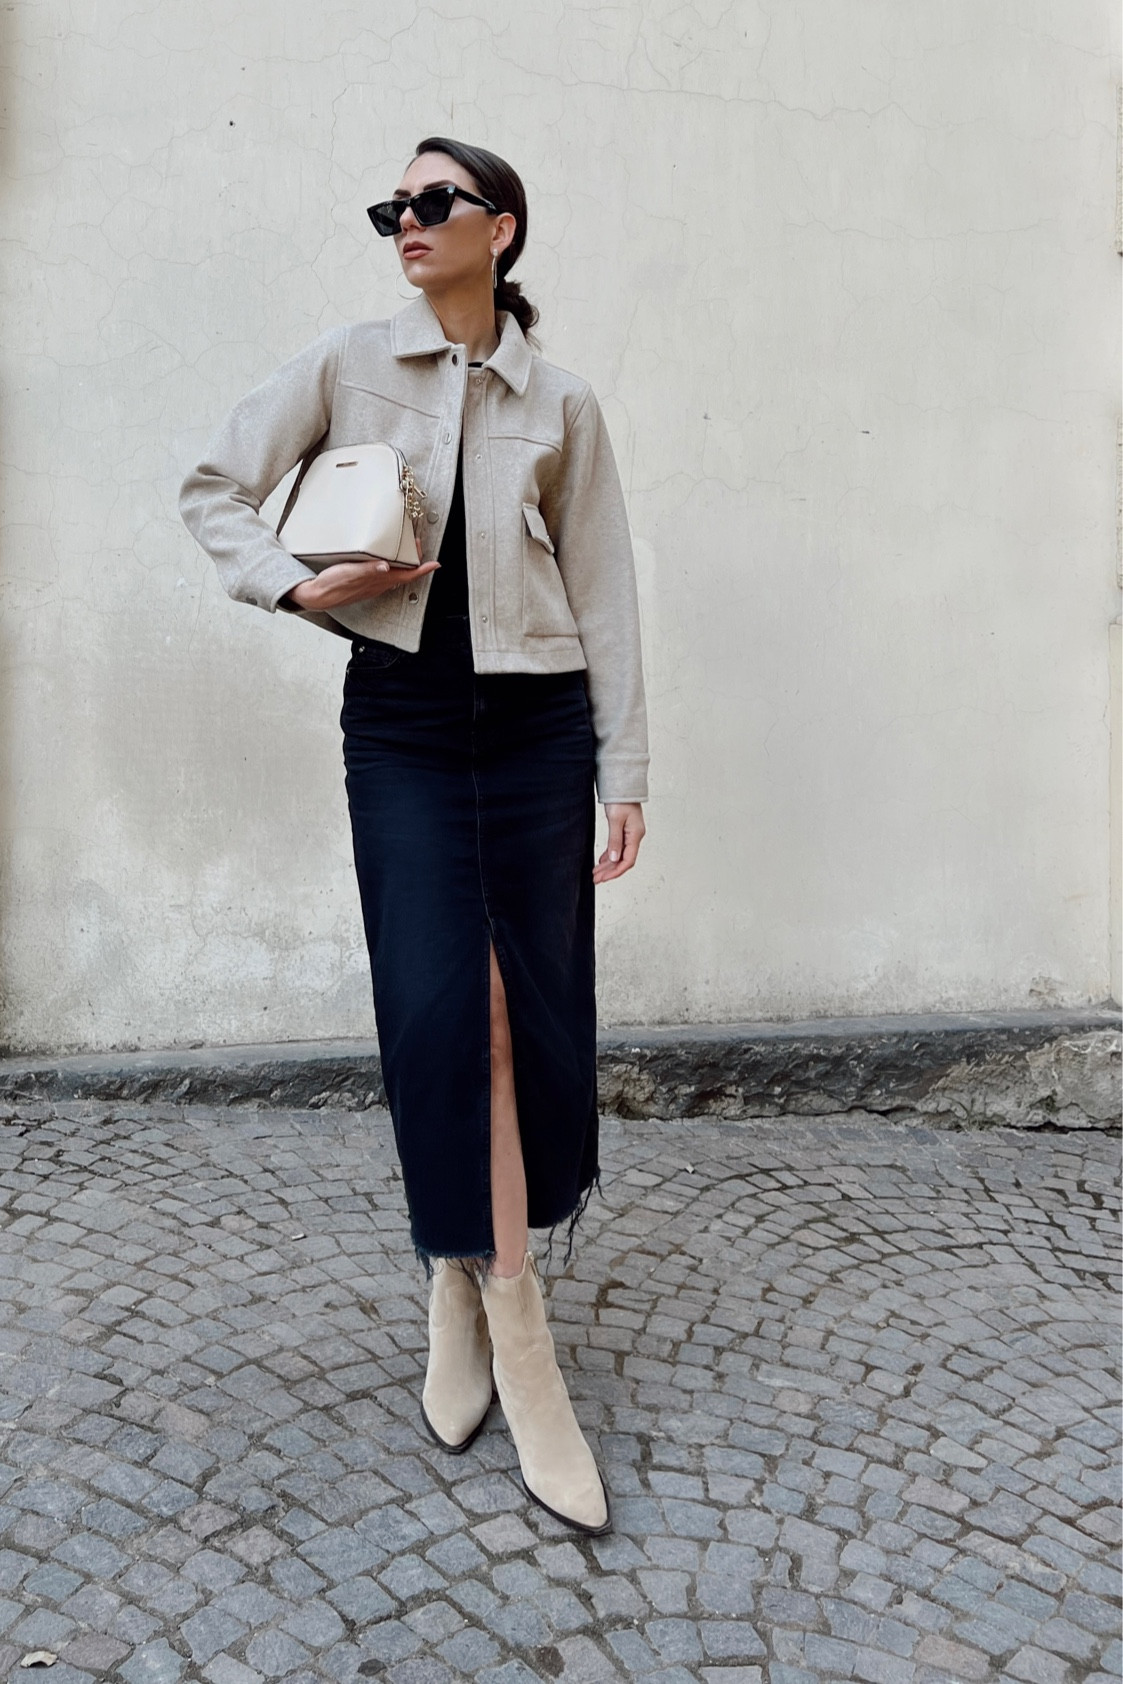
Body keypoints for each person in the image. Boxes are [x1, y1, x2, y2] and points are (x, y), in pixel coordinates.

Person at [179, 137, 649, 1536]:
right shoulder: (345, 364)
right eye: (394, 206)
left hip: (539, 731)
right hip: (399, 729)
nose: (406, 223)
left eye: (434, 203)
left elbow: (610, 589)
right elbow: (211, 487)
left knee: (531, 1018)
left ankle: (469, 1269)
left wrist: (625, 762)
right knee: (444, 1015)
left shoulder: (559, 400)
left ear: (500, 227)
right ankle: (517, 1325)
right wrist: (292, 589)